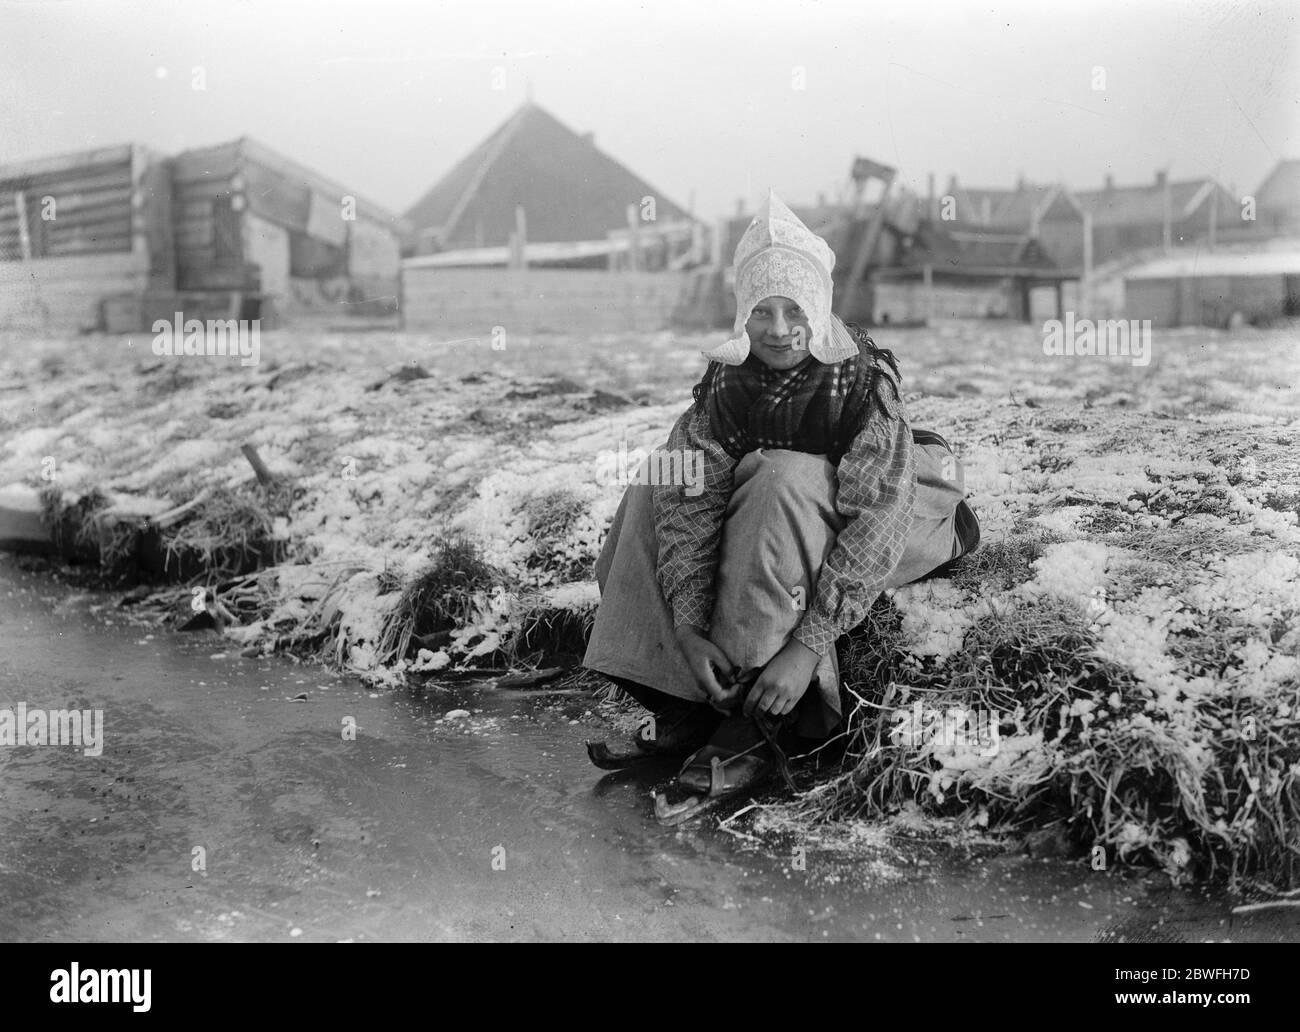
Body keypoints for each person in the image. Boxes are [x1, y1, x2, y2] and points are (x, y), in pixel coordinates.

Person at [582, 191, 980, 825]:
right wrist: (687, 628)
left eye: (794, 309)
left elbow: (876, 520)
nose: (778, 329)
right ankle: (687, 702)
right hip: (790, 516)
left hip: (901, 521)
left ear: (818, 309)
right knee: (657, 479)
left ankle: (762, 727)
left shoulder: (860, 382)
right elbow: (690, 500)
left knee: (781, 479)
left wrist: (807, 645)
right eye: (761, 311)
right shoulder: (726, 383)